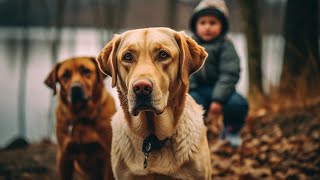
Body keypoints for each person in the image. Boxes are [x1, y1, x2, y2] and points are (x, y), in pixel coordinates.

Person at [188, 0, 249, 146]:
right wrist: (189, 88)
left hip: (222, 90)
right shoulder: (190, 45)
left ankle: (231, 131)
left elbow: (230, 72)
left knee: (238, 104)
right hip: (198, 89)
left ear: (222, 26)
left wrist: (219, 99)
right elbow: (185, 70)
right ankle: (195, 133)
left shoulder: (225, 45)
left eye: (213, 23)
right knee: (189, 105)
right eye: (202, 23)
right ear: (195, 26)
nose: (207, 27)